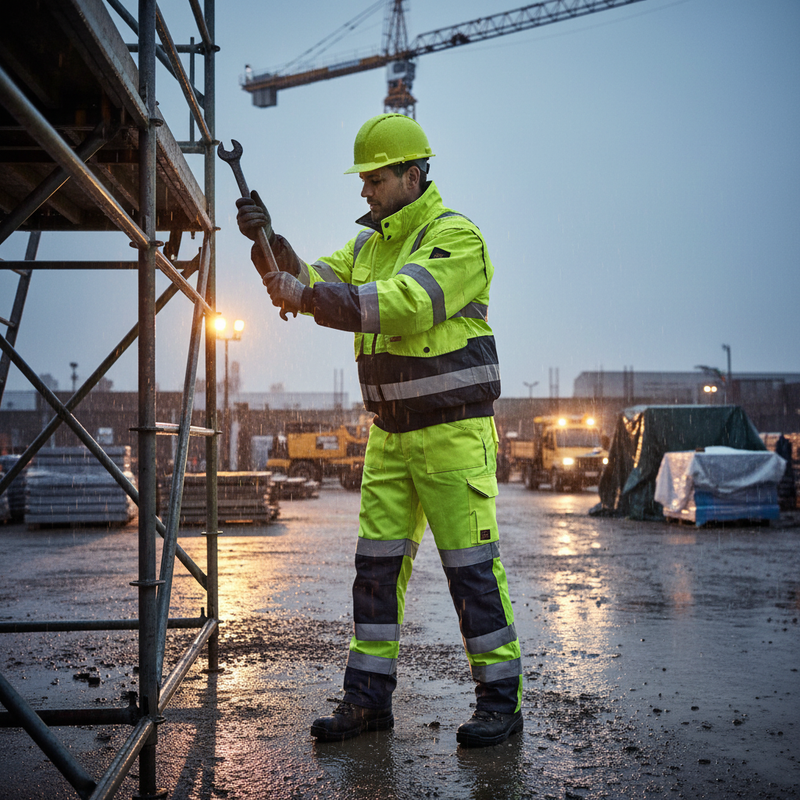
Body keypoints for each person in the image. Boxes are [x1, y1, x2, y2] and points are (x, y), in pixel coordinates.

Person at [235, 113, 523, 748]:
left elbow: (405, 304)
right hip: (389, 436)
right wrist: (270, 245)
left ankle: (500, 703)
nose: (364, 191)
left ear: (412, 176)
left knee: (471, 572)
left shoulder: (455, 237)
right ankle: (367, 702)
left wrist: (309, 298)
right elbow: (312, 281)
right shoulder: (368, 245)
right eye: (363, 180)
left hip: (453, 436)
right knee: (375, 571)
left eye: (375, 179)